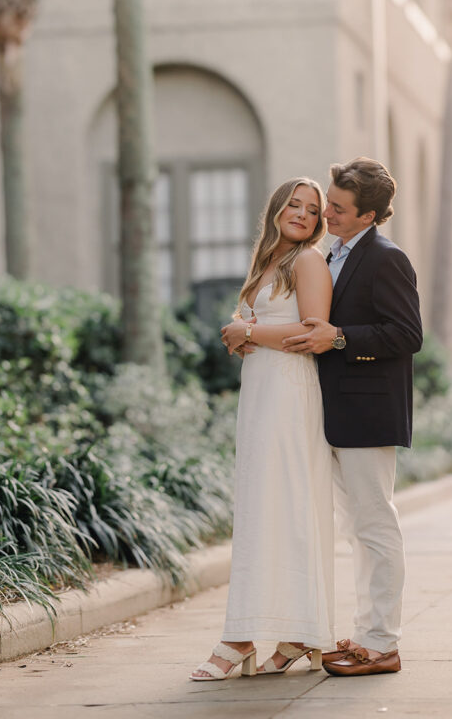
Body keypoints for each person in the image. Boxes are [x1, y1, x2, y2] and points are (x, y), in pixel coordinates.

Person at [190, 178, 336, 681]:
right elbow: (263, 324)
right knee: (260, 510)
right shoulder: (268, 264)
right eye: (294, 204)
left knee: (286, 507)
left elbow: (313, 332)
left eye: (312, 210)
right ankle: (286, 633)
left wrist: (247, 331)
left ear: (319, 223)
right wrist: (242, 334)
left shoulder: (308, 261)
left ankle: (242, 636)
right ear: (276, 209)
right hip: (260, 396)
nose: (302, 214)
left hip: (291, 397)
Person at [283, 157, 422, 677]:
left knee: (375, 526)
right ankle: (365, 632)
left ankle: (382, 644)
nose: (328, 215)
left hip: (368, 413)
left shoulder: (387, 259)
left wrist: (339, 337)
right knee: (356, 529)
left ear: (368, 217)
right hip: (333, 410)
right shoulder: (330, 254)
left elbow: (408, 335)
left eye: (338, 209)